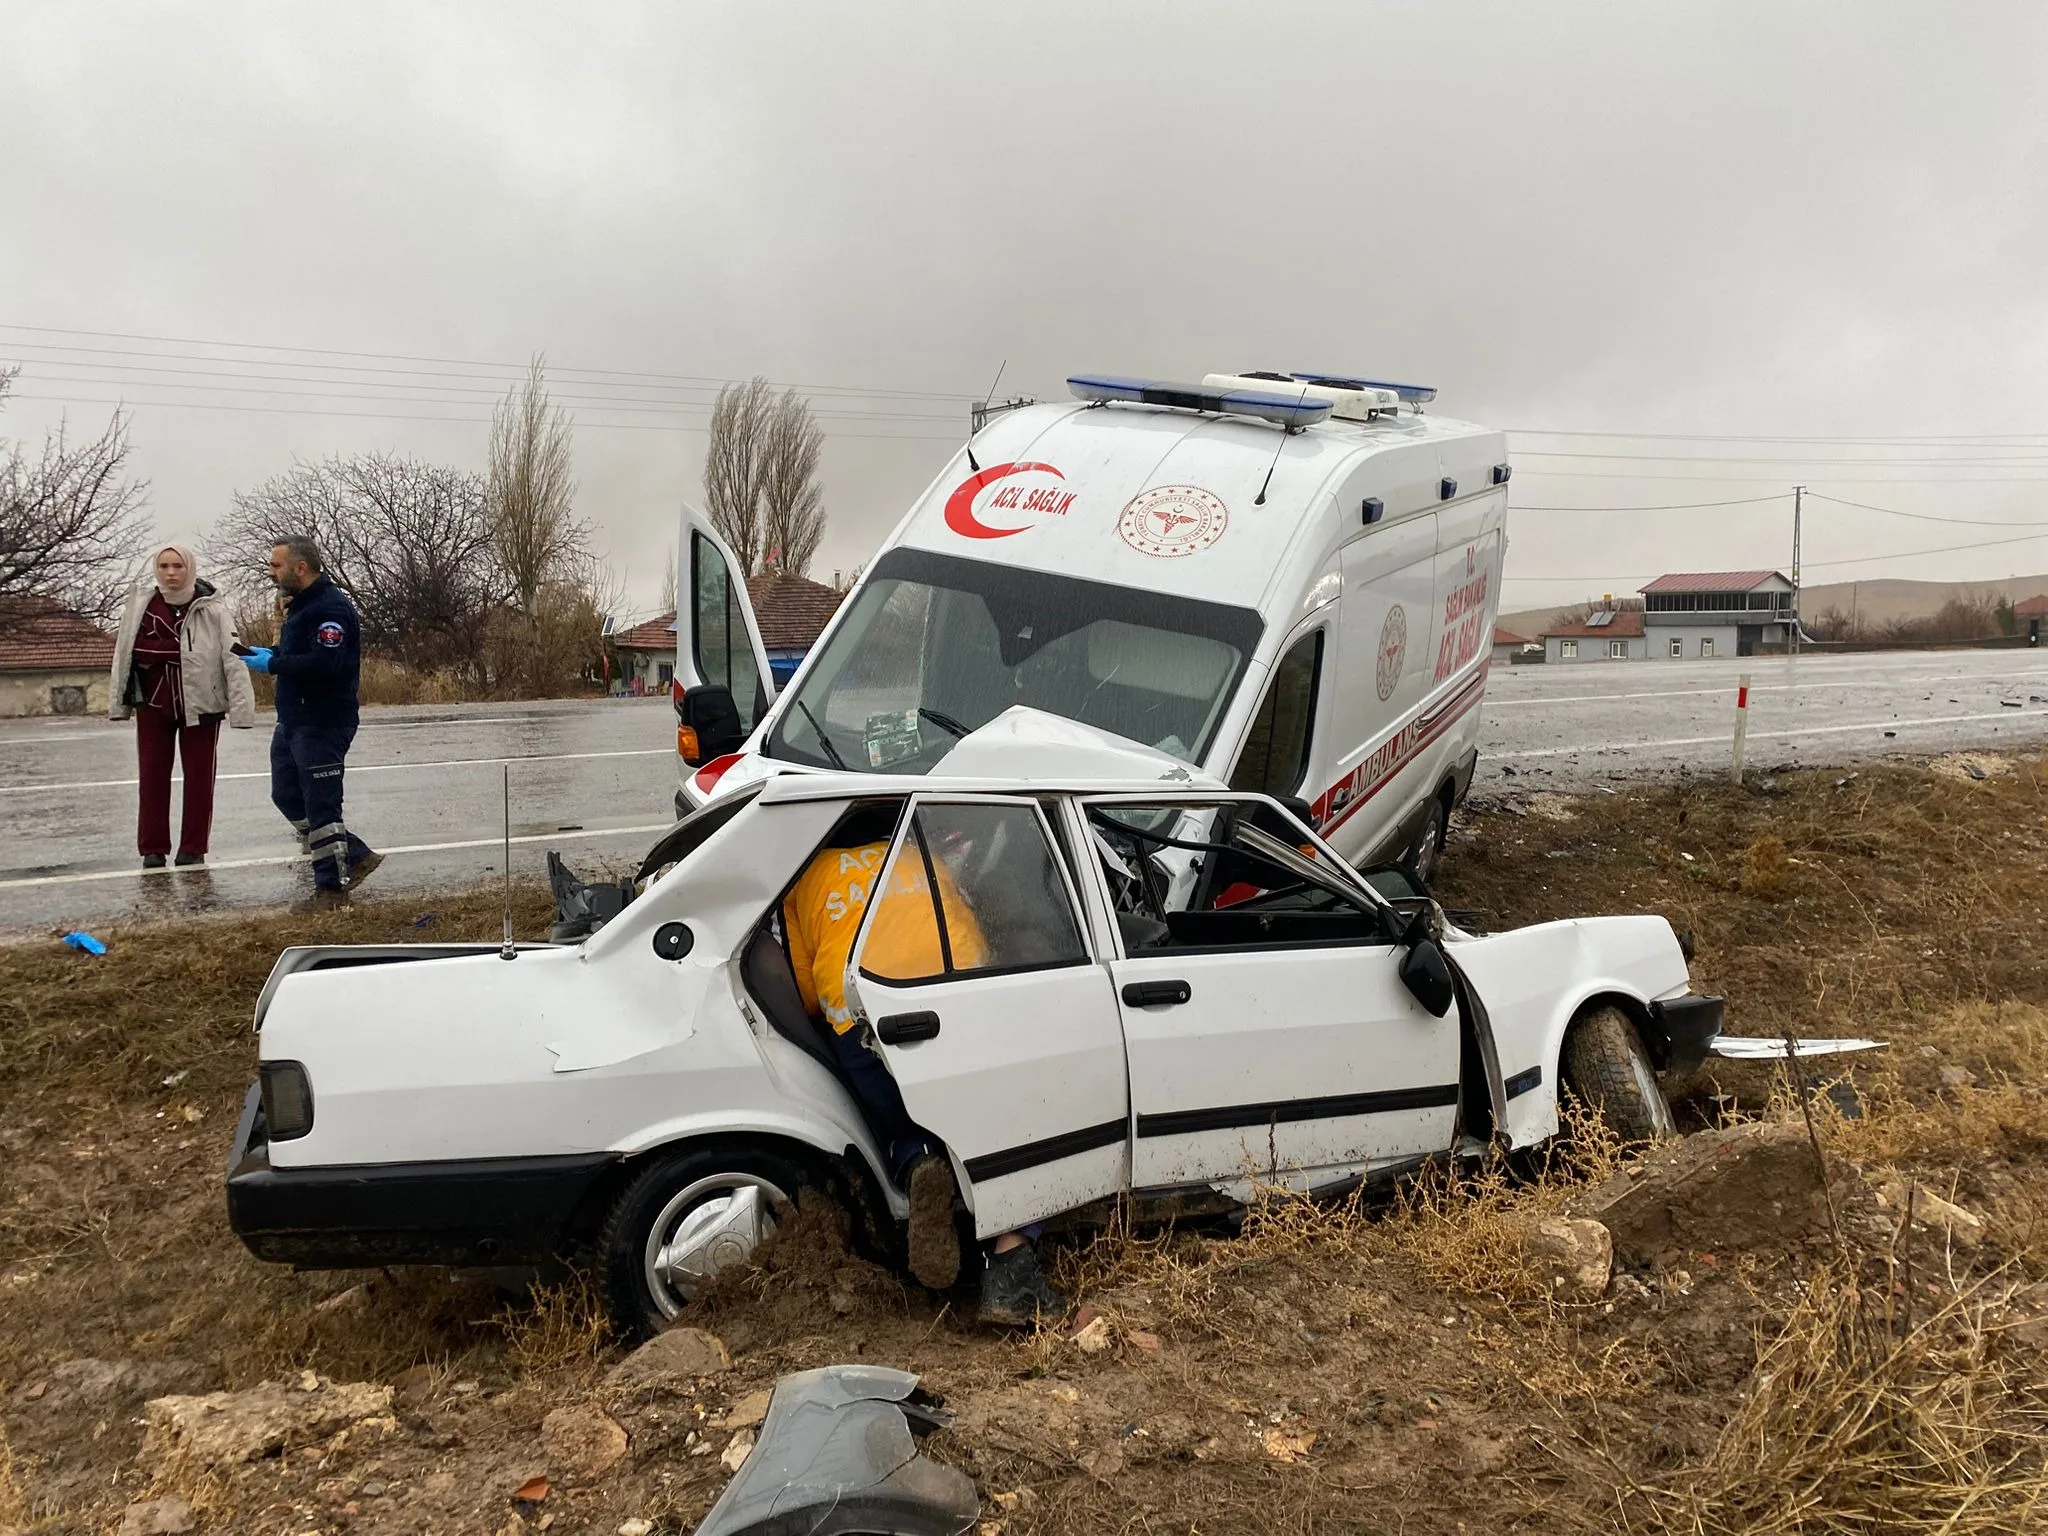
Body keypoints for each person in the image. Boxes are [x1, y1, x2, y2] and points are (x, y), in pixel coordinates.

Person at [781, 807, 1067, 1326]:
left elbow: (803, 995)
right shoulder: (922, 856)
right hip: (953, 1005)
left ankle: (916, 1160)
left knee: (897, 1120)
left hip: (866, 1022)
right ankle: (1012, 1264)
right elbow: (977, 941)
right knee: (1016, 1124)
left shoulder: (806, 877)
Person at [240, 538, 381, 896]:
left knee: (322, 807)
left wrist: (273, 664)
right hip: (293, 718)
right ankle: (355, 854)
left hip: (323, 721)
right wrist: (270, 653)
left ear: (300, 567)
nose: (270, 572)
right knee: (286, 795)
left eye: (276, 565)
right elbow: (300, 653)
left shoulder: (329, 608)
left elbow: (326, 662)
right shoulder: (300, 606)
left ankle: (331, 888)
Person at [108, 543, 258, 867]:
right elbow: (128, 652)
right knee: (151, 778)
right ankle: (152, 849)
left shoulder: (212, 608)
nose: (171, 573)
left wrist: (242, 709)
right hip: (152, 703)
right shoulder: (142, 606)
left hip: (203, 703)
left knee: (200, 779)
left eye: (177, 566)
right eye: (164, 566)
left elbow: (233, 656)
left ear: (189, 568)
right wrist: (119, 703)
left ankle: (193, 847)